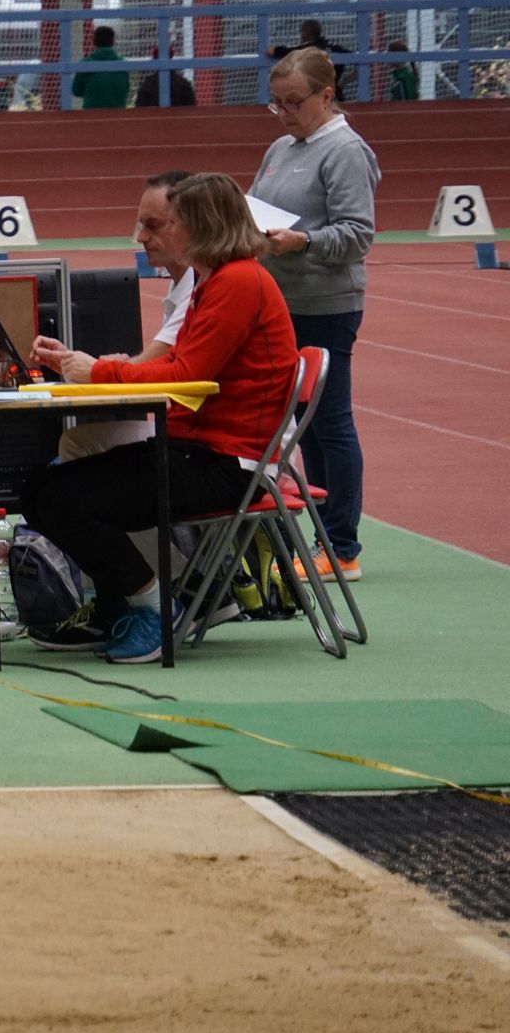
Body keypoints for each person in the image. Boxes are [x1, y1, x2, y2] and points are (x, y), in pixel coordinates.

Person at [25, 173, 298, 664]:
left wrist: (99, 372)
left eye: (173, 222)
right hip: (201, 450)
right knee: (40, 490)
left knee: (61, 498)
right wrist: (90, 369)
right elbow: (176, 366)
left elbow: (185, 374)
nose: (154, 235)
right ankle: (124, 602)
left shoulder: (237, 282)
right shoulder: (218, 280)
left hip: (227, 463)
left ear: (202, 225)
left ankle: (154, 605)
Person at [251, 46, 378, 583]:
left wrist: (301, 241)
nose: (284, 114)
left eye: (294, 102)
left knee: (331, 424)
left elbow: (358, 234)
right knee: (302, 426)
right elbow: (254, 204)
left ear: (327, 95)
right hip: (281, 304)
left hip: (327, 304)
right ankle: (324, 537)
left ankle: (342, 546)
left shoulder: (345, 151)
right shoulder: (282, 147)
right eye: (276, 103)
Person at [56, 170, 197, 464]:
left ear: (188, 225)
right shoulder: (182, 284)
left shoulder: (200, 286)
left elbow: (156, 372)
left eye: (153, 226)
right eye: (141, 225)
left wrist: (98, 369)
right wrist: (102, 366)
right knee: (74, 447)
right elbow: (158, 367)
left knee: (75, 450)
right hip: (194, 433)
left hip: (210, 446)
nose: (141, 237)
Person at [71, 25, 130, 109]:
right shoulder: (122, 64)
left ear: (94, 41)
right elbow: (125, 89)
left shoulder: (85, 64)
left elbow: (76, 91)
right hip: (118, 113)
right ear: (112, 41)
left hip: (91, 113)